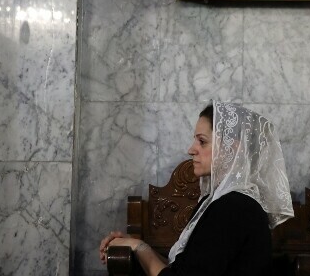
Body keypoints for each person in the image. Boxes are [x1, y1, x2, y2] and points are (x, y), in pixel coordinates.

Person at [99, 101, 294, 276]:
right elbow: (184, 268)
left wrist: (137, 245)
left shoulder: (234, 209)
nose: (191, 149)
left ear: (232, 149)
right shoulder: (226, 203)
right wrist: (131, 247)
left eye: (202, 141)